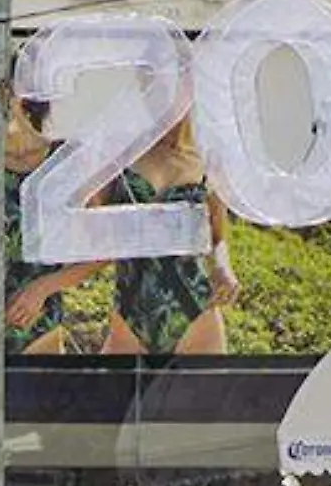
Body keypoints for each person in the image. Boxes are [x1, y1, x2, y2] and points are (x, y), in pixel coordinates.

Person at [0, 48, 105, 353]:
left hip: (39, 323)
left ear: (17, 89)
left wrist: (43, 287)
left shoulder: (67, 160)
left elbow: (102, 250)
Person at [101, 118, 239, 355]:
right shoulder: (121, 150)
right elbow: (91, 224)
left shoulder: (208, 159)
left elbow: (217, 236)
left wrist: (223, 267)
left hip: (196, 312)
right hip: (130, 313)